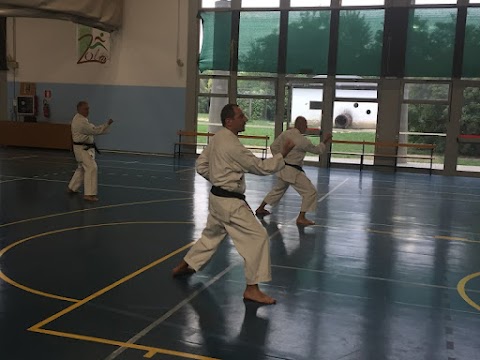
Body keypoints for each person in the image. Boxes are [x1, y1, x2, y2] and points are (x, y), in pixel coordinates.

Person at [172, 104, 294, 305]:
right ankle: (252, 289)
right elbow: (261, 167)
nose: (245, 119)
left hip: (217, 199)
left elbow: (201, 165)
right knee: (258, 237)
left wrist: (219, 179)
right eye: (241, 116)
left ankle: (184, 265)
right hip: (230, 203)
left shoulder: (218, 137)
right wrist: (283, 155)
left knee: (211, 235)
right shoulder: (233, 146)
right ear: (229, 121)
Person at [255, 116, 332, 226]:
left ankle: (260, 208)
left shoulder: (285, 134)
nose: (306, 127)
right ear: (300, 125)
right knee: (310, 192)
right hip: (293, 171)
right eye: (305, 125)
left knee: (277, 190)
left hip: (282, 168)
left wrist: (279, 158)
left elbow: (273, 146)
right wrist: (325, 141)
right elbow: (317, 150)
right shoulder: (302, 140)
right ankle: (301, 217)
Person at [67, 101, 113, 202]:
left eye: (88, 108)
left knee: (82, 169)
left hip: (82, 149)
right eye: (85, 109)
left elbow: (91, 129)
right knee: (92, 168)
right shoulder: (81, 122)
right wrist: (106, 125)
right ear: (79, 109)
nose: (88, 111)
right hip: (82, 150)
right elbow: (94, 130)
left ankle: (72, 187)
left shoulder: (79, 118)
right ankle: (89, 194)